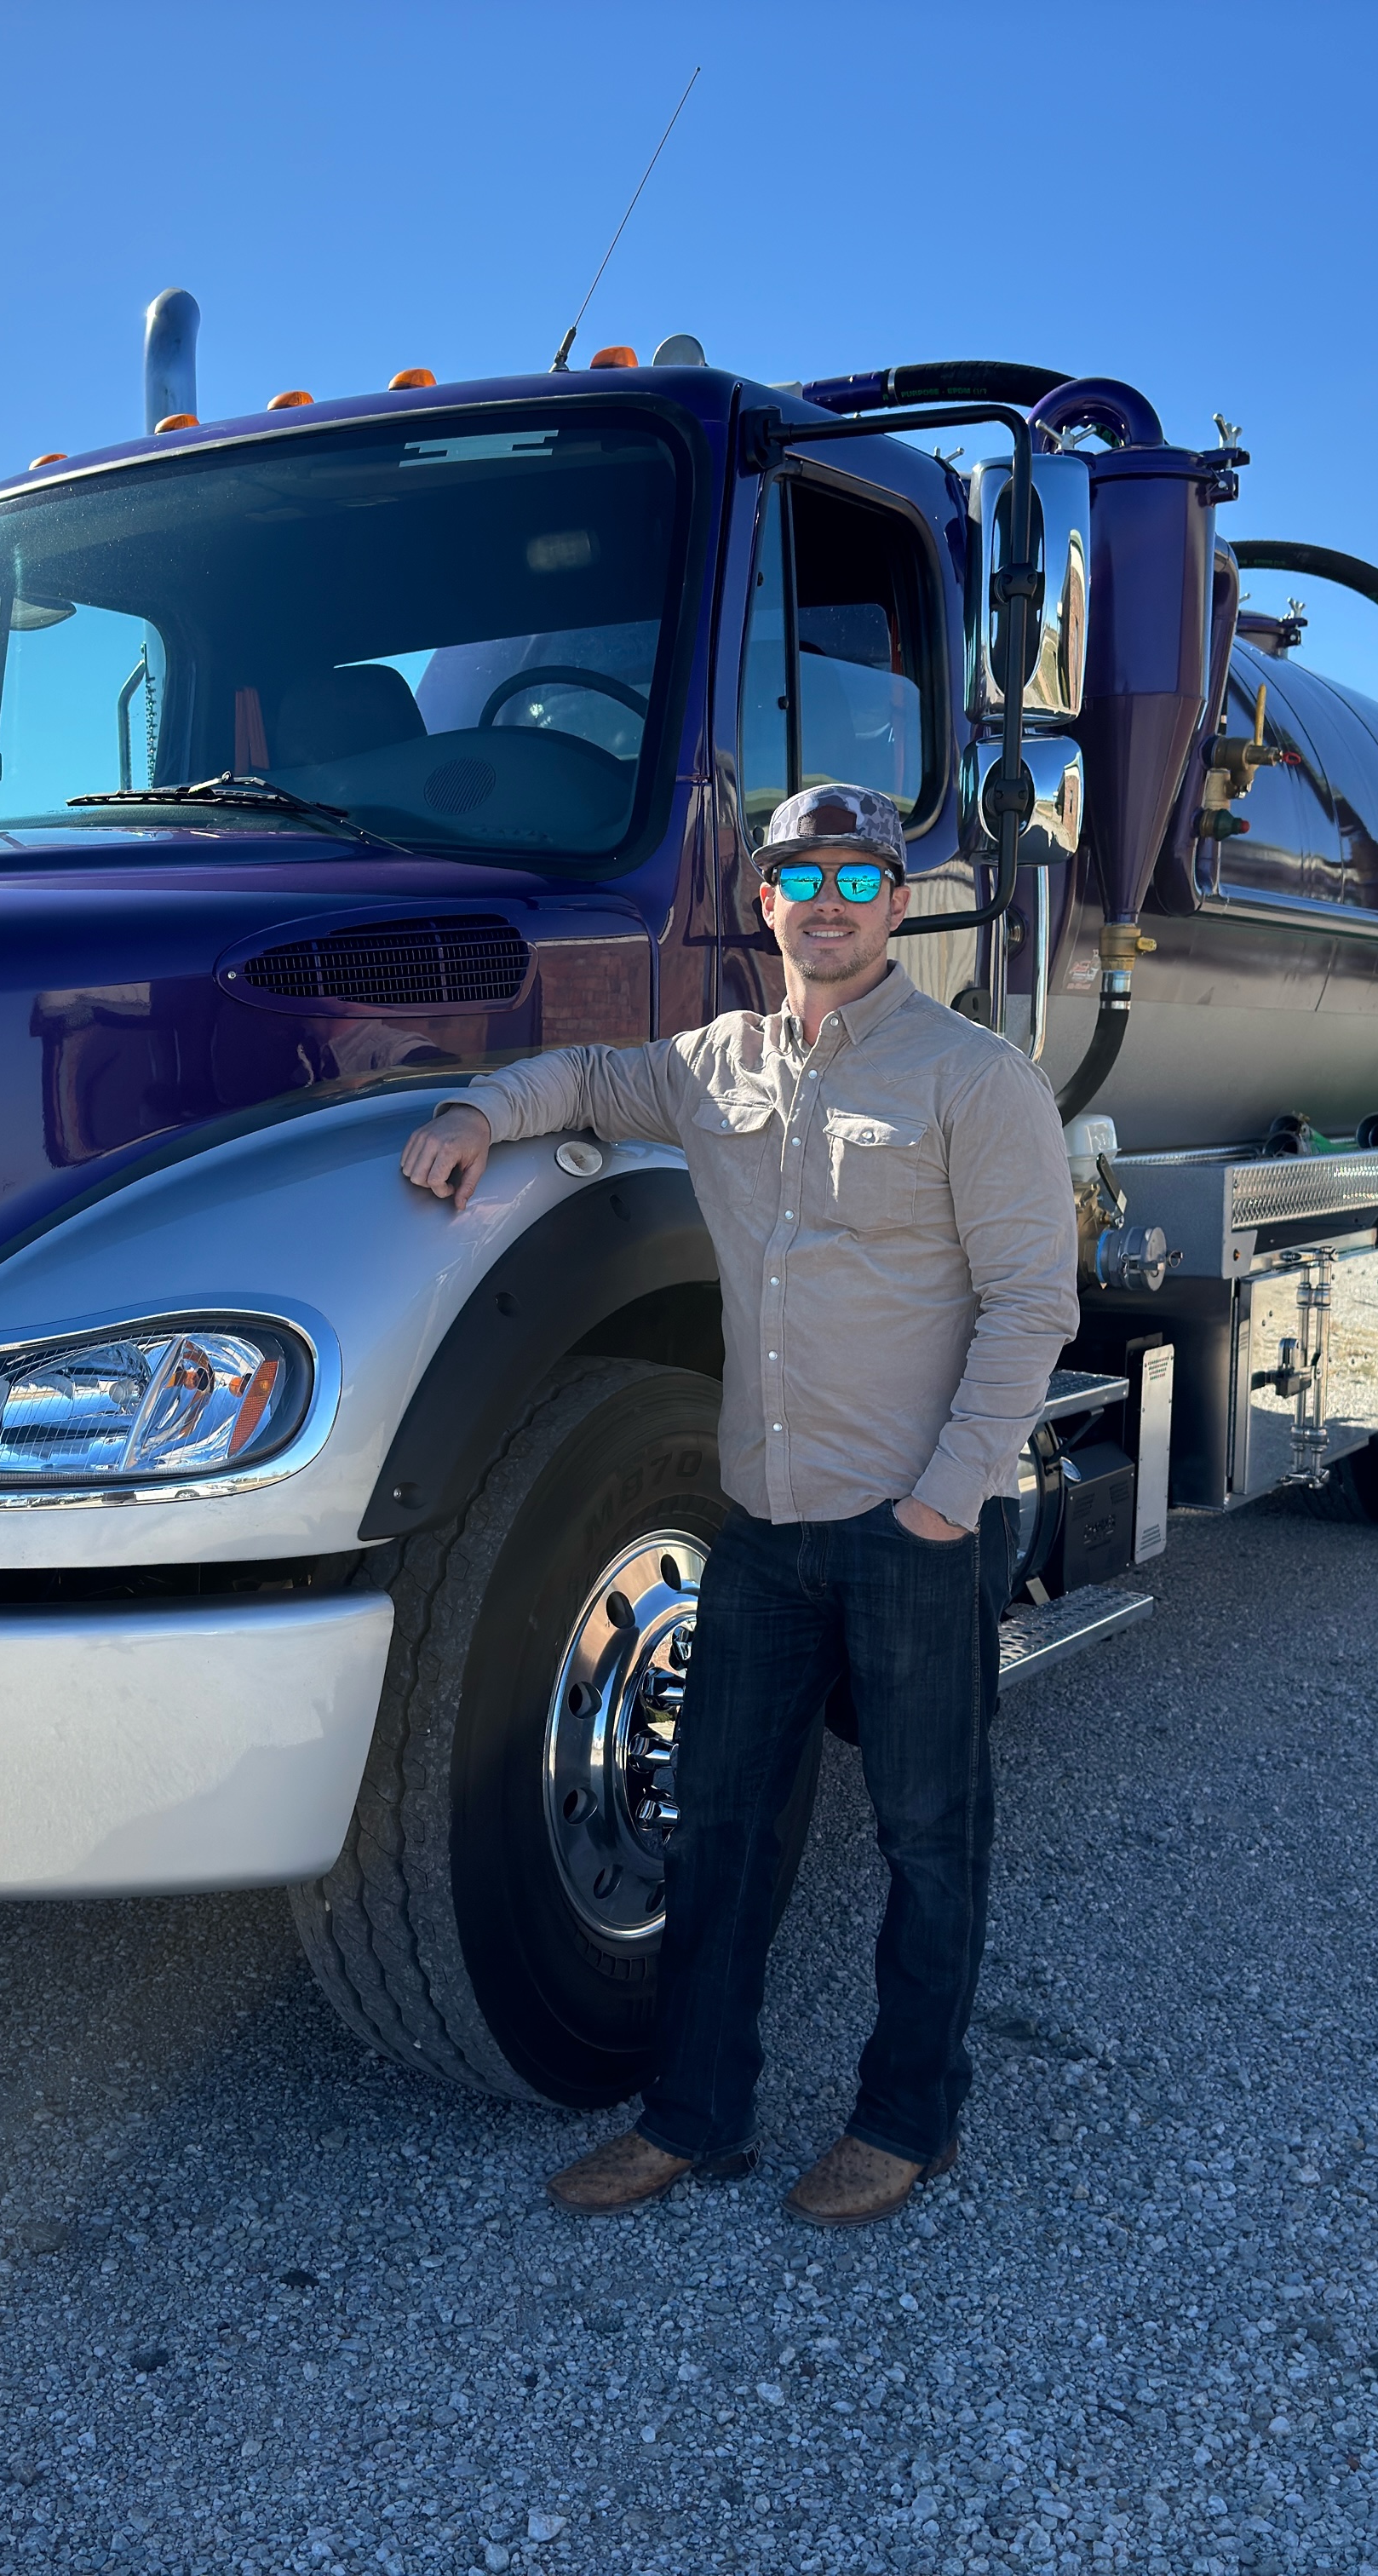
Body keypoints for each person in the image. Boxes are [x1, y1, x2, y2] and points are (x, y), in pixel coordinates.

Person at [398, 781, 1080, 2229]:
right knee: (720, 1831)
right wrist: (475, 1110)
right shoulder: (716, 1066)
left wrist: (946, 1504)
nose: (828, 902)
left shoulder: (974, 1080)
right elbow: (586, 1080)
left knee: (927, 1838)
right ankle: (695, 2117)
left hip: (911, 1532)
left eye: (857, 877)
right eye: (800, 878)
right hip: (764, 1533)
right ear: (762, 902)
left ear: (898, 903)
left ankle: (907, 2122)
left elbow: (1033, 1305)